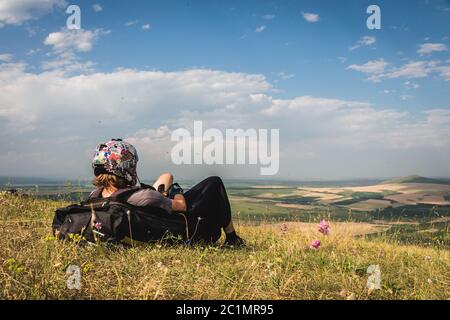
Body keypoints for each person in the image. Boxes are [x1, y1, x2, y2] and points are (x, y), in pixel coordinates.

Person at [89, 139, 245, 246]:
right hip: (179, 228)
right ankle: (232, 238)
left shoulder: (96, 195)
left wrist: (161, 195)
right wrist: (176, 192)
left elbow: (166, 177)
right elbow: (181, 206)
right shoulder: (145, 196)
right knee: (214, 182)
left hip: (150, 220)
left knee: (167, 178)